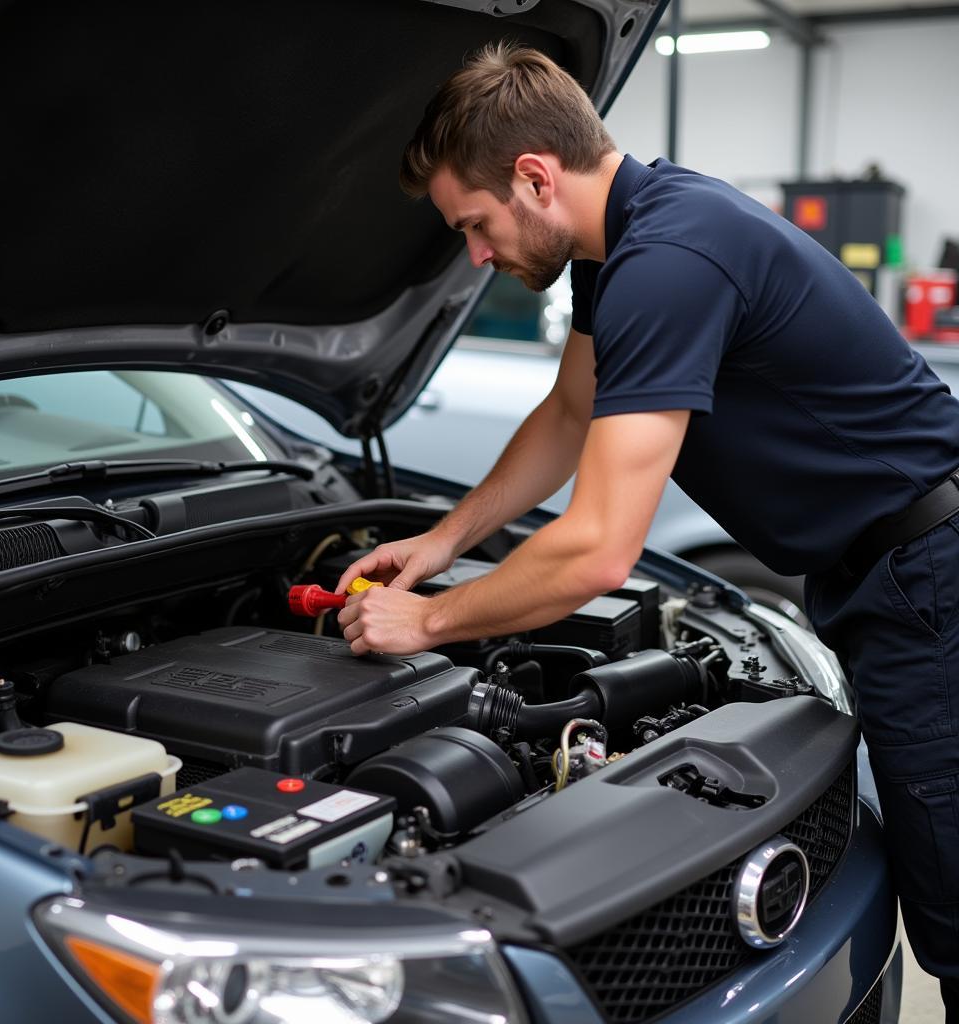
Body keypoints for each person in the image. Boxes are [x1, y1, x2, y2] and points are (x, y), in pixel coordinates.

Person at [334, 43, 959, 1015]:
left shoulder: (667, 260)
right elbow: (568, 413)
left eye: (475, 223)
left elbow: (599, 549)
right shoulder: (618, 242)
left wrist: (425, 622)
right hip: (882, 573)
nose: (476, 255)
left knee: (953, 904)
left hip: (930, 583)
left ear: (535, 177)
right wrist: (443, 541)